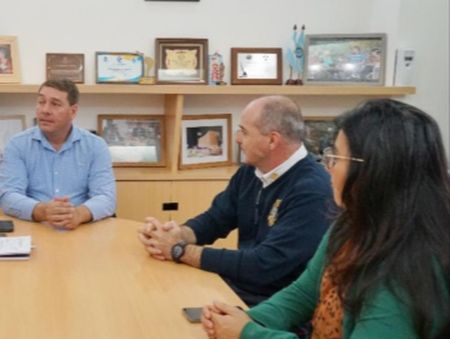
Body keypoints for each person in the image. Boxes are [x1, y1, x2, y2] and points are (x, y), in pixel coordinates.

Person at [202, 99, 450, 339]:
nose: (327, 166)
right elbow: (303, 295)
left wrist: (250, 336)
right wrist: (242, 319)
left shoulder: (417, 259)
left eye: (335, 157)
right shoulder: (351, 224)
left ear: (375, 170)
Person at [138, 96, 333, 306]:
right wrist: (178, 234)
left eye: (244, 132)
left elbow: (264, 265)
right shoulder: (251, 171)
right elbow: (216, 219)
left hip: (276, 308)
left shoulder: (313, 190)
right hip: (239, 289)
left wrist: (180, 250)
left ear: (272, 140)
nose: (238, 138)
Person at [0, 79, 116, 230]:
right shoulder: (17, 145)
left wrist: (78, 214)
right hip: (35, 228)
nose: (45, 110)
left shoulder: (95, 146)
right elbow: (8, 196)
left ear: (72, 111)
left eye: (55, 104)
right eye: (41, 102)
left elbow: (107, 198)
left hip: (81, 229)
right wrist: (43, 211)